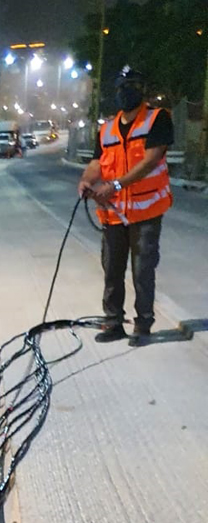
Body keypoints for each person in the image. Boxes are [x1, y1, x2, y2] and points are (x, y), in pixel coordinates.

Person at [78, 66, 173, 345]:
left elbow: (151, 160)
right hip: (113, 213)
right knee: (112, 268)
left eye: (131, 85)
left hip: (146, 210)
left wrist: (116, 185)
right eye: (120, 85)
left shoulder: (158, 119)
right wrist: (86, 180)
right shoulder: (106, 128)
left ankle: (143, 325)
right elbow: (97, 162)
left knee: (143, 269)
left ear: (142, 90)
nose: (125, 91)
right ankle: (113, 323)